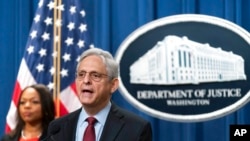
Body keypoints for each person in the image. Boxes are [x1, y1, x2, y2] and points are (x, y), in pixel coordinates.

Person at [44, 48, 152, 141]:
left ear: (113, 85)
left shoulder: (136, 128)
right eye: (81, 75)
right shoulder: (57, 128)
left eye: (95, 75)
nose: (86, 80)